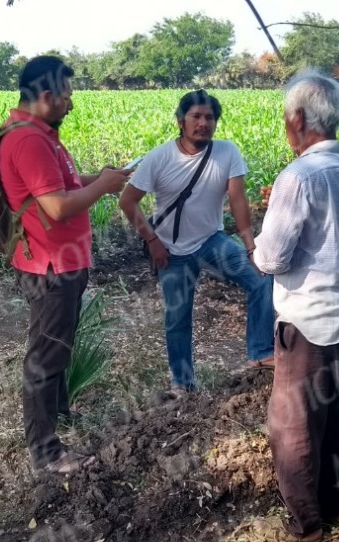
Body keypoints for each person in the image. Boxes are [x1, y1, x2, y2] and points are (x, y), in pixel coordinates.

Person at [253, 72, 339, 542]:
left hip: (312, 326)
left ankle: (308, 528)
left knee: (295, 429)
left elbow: (271, 258)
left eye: (288, 119)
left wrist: (257, 236)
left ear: (299, 119)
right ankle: (337, 507)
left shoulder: (299, 175)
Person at [0, 55, 130, 474]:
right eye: (68, 96)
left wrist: (99, 179)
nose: (72, 104)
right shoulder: (29, 141)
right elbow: (56, 207)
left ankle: (57, 417)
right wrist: (106, 187)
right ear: (48, 96)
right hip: (52, 268)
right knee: (46, 356)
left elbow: (62, 187)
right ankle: (46, 452)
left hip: (59, 264)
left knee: (55, 348)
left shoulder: (41, 135)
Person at [119, 89, 274, 397]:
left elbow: (237, 198)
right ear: (181, 121)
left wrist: (250, 245)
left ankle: (260, 352)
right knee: (178, 318)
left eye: (210, 118)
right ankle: (183, 383)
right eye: (196, 117)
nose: (203, 123)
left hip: (211, 240)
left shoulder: (227, 152)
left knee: (260, 279)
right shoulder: (160, 157)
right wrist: (152, 240)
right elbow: (127, 201)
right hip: (170, 250)